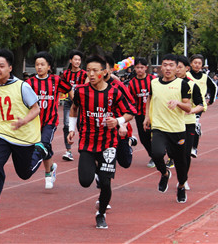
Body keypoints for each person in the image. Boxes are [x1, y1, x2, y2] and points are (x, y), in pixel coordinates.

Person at [0, 49, 47, 224]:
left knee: (24, 174)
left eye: (1, 66)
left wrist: (24, 121)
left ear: (10, 67)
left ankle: (40, 151)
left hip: (24, 138)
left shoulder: (23, 87)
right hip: (2, 134)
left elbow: (36, 109)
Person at [67, 55, 135, 229]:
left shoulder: (114, 92)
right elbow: (74, 109)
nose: (90, 74)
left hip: (108, 143)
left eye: (95, 70)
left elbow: (131, 112)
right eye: (88, 70)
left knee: (105, 183)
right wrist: (72, 129)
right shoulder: (81, 91)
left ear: (104, 72)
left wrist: (118, 121)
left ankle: (101, 213)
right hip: (88, 142)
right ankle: (98, 168)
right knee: (84, 181)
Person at [144, 54, 191, 204]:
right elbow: (149, 99)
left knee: (181, 163)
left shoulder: (183, 84)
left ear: (177, 67)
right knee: (156, 154)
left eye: (171, 65)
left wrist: (177, 103)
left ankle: (181, 185)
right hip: (159, 127)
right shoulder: (153, 83)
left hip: (177, 130)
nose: (168, 68)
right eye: (165, 65)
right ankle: (164, 173)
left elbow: (188, 107)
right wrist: (147, 117)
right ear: (161, 67)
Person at [26, 51, 71, 189]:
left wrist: (77, 103)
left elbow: (69, 88)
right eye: (37, 65)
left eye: (42, 64)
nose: (39, 67)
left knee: (43, 144)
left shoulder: (56, 80)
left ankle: (46, 174)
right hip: (34, 122)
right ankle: (51, 169)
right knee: (45, 147)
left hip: (50, 121)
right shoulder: (29, 83)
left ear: (49, 67)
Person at [176, 55, 204, 190]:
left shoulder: (192, 85)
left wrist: (192, 111)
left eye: (179, 67)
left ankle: (183, 179)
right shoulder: (164, 84)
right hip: (170, 124)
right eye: (174, 66)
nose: (176, 69)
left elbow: (201, 105)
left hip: (187, 123)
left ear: (187, 68)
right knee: (173, 153)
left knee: (185, 153)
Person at [128, 57, 156, 167]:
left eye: (142, 67)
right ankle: (153, 155)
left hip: (154, 113)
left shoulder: (153, 80)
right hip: (140, 114)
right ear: (134, 68)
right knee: (144, 138)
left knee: (156, 135)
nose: (140, 69)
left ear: (146, 68)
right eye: (137, 67)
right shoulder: (132, 83)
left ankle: (157, 156)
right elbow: (130, 100)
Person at [187, 54, 217, 158]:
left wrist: (211, 101)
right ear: (191, 64)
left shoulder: (205, 77)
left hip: (199, 105)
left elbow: (214, 87)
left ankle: (194, 148)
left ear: (202, 65)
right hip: (186, 104)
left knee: (194, 123)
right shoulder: (186, 75)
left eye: (199, 63)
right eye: (195, 63)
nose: (197, 65)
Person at [61, 50, 88, 161]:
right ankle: (68, 151)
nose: (77, 62)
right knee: (67, 125)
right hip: (68, 102)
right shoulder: (66, 74)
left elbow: (86, 87)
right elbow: (61, 87)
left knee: (82, 126)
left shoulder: (84, 74)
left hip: (81, 104)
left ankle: (83, 149)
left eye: (79, 60)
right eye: (75, 59)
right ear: (70, 61)